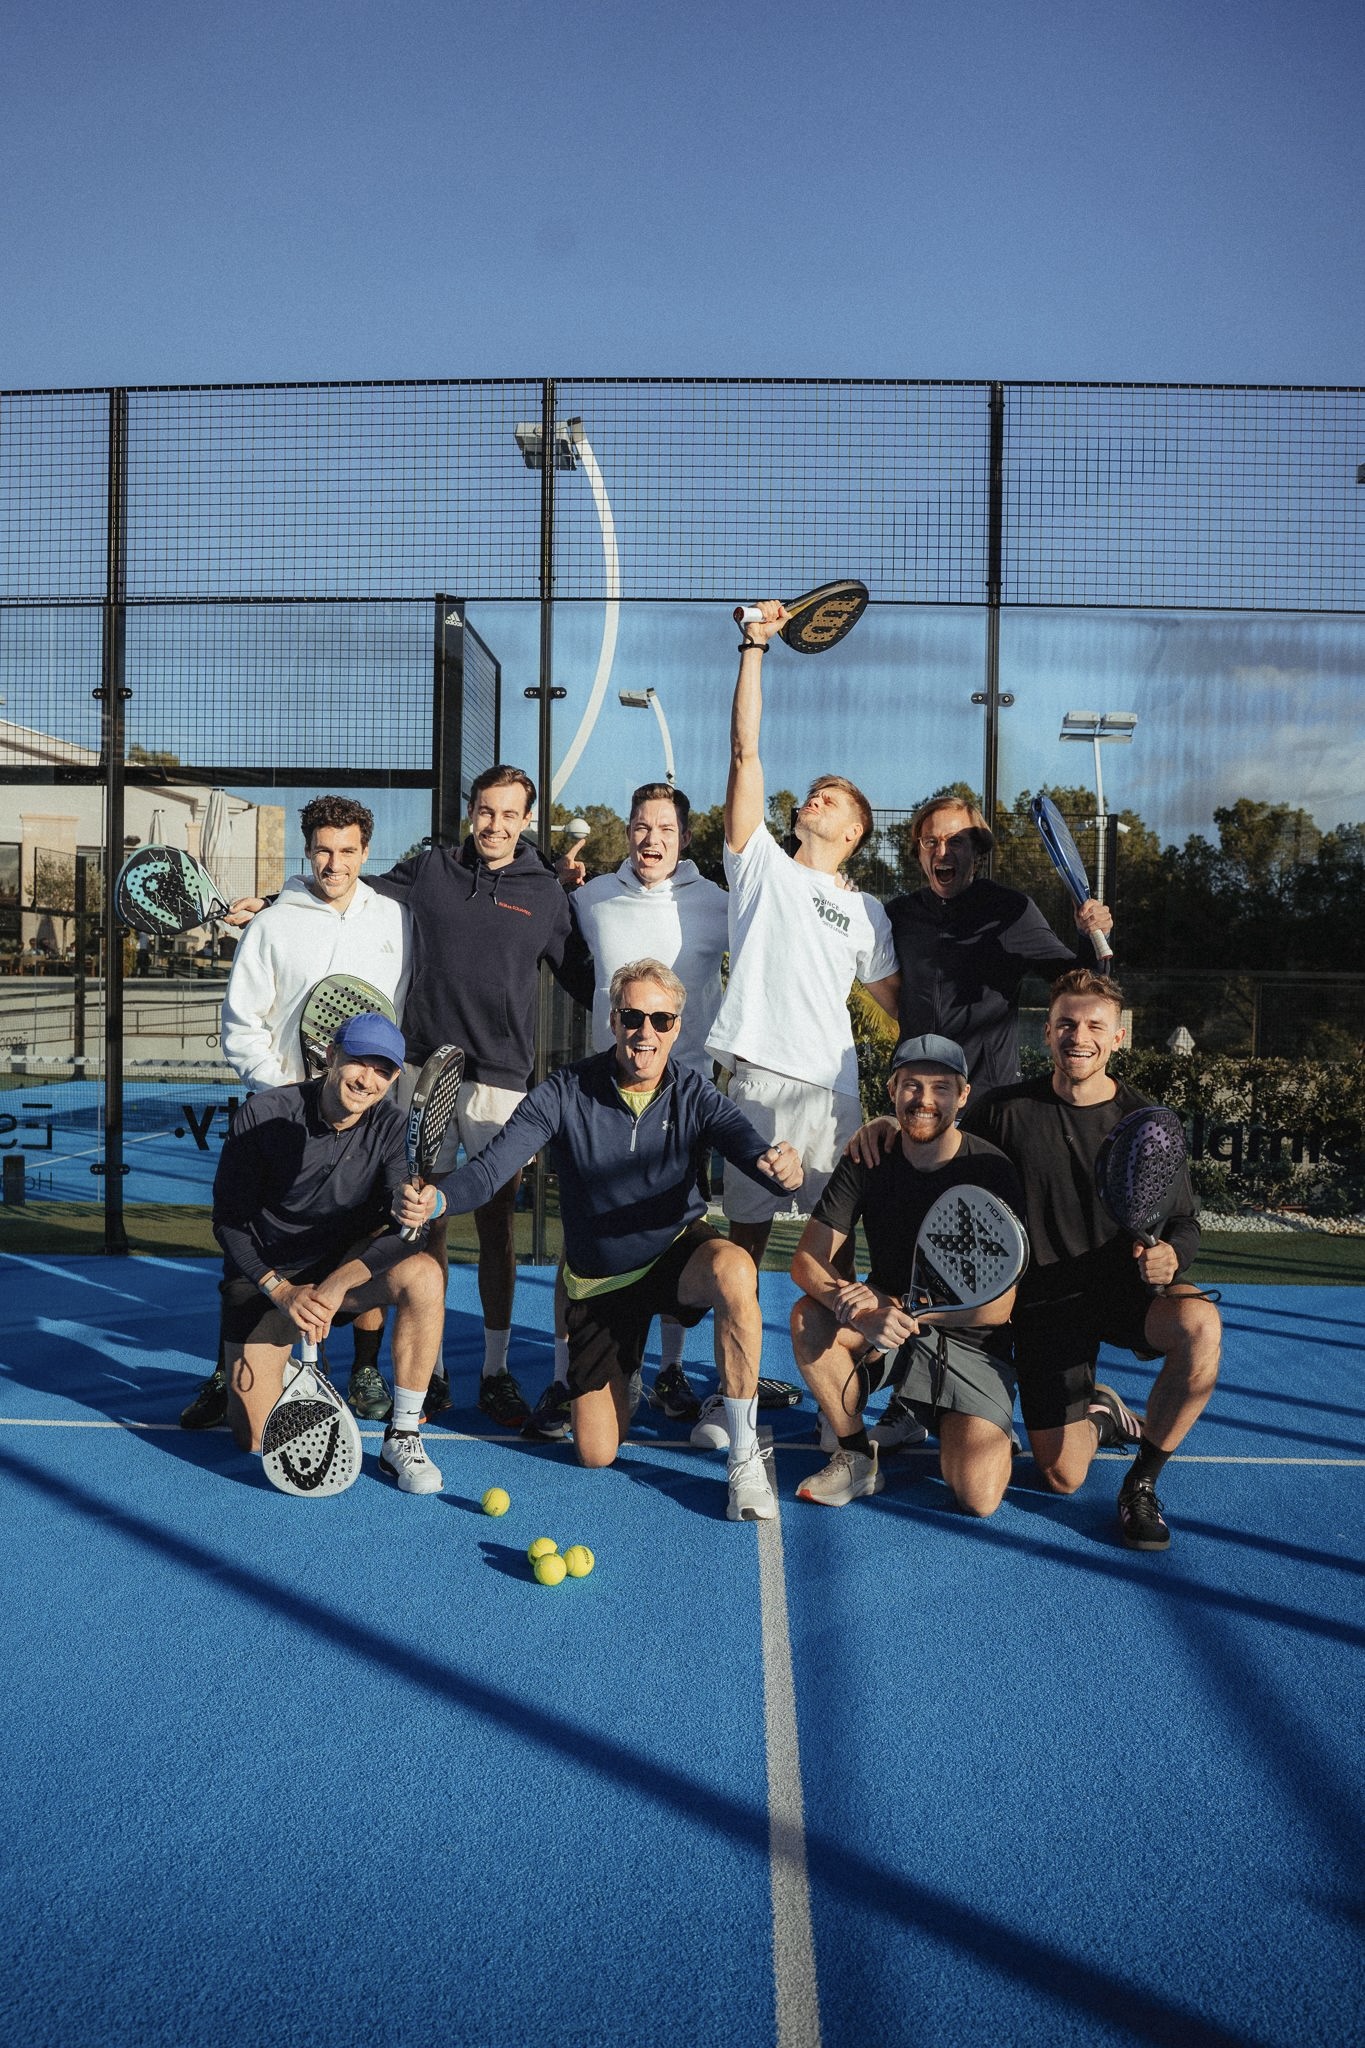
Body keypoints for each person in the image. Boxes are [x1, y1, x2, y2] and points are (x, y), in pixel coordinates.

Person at [397, 960, 804, 1522]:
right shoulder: (564, 1091)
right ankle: (625, 1372)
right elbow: (493, 1168)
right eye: (633, 1017)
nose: (646, 1032)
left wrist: (779, 1167)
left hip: (673, 1256)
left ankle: (743, 1460)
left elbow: (749, 1148)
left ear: (678, 1027)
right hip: (600, 1280)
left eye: (661, 1020)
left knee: (736, 1269)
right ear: (613, 1021)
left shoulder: (695, 1093)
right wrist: (439, 1200)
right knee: (594, 1453)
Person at [958, 967, 1221, 1549]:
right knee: (1060, 1477)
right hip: (1046, 1305)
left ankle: (1142, 1483)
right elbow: (940, 1154)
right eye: (1066, 1024)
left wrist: (1173, 1257)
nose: (1080, 1036)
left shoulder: (1147, 1125)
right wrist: (878, 1127)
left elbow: (1184, 1222)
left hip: (1125, 1293)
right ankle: (1100, 1412)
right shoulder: (1003, 1111)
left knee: (1201, 1324)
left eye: (1094, 1026)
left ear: (1118, 1036)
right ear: (1046, 1032)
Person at [367, 765, 585, 1431]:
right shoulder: (428, 870)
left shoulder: (546, 893)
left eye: (508, 815)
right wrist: (276, 900)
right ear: (471, 812)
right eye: (484, 811)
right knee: (422, 1219)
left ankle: (493, 1371)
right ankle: (428, 1372)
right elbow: (351, 896)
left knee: (495, 1228)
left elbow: (586, 975)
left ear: (526, 821)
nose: (494, 825)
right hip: (418, 1068)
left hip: (499, 1081)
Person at [181, 796, 408, 1431]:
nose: (334, 863)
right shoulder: (273, 923)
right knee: (253, 1240)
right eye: (322, 850)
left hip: (360, 1118)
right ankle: (228, 1367)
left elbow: (398, 1012)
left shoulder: (394, 919)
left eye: (347, 851)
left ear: (367, 853)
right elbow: (240, 1024)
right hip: (285, 1116)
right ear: (308, 852)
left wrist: (362, 1091)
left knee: (367, 1233)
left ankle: (363, 1368)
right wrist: (286, 1091)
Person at [705, 601, 900, 1271]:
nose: (814, 797)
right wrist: (754, 647)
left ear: (853, 833)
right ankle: (742, 1380)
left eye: (833, 798)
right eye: (812, 792)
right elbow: (744, 750)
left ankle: (840, 1374)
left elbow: (902, 1011)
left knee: (833, 1256)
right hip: (756, 1079)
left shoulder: (867, 910)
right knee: (743, 1252)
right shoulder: (756, 861)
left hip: (833, 1090)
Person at [538, 780, 729, 1438]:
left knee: (673, 1235)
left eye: (666, 829)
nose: (652, 839)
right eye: (641, 827)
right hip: (597, 1102)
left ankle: (669, 1370)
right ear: (627, 832)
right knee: (579, 1246)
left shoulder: (718, 905)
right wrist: (555, 877)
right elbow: (543, 921)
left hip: (683, 1102)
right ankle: (565, 1379)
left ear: (684, 838)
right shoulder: (590, 899)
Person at [215, 1012, 448, 1494]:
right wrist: (280, 1291)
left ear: (395, 1078)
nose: (367, 1079)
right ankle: (272, 1363)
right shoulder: (263, 1114)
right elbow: (228, 1224)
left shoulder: (394, 1129)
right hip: (268, 1276)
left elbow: (408, 1236)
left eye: (382, 1070)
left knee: (423, 1274)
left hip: (341, 1273)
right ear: (330, 1056)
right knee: (256, 1441)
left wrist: (336, 1284)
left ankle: (402, 1433)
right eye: (358, 1062)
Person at [789, 1035, 1023, 1511]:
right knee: (808, 1317)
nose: (924, 1100)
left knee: (978, 1498)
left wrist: (899, 1311)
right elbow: (806, 1261)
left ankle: (940, 1414)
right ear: (892, 1090)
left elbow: (1001, 1307)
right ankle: (856, 1456)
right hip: (888, 1329)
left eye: (941, 1087)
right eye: (911, 1085)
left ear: (963, 1095)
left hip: (969, 1342)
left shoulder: (991, 1170)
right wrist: (851, 1308)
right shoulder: (867, 1157)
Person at [883, 793, 1114, 1094]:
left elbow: (1083, 984)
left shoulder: (1009, 910)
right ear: (919, 852)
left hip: (988, 1099)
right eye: (931, 842)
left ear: (977, 852)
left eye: (955, 841)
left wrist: (1091, 936)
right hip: (916, 1095)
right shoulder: (899, 915)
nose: (942, 851)